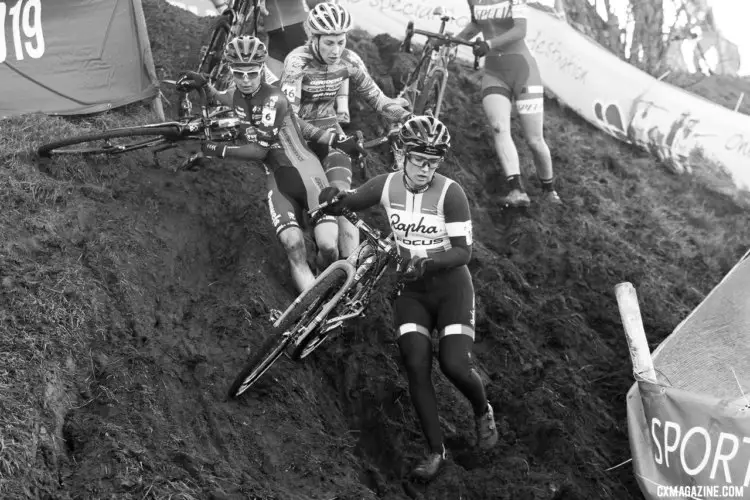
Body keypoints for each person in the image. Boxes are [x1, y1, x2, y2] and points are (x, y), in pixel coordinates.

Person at [316, 115, 498, 481]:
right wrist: (333, 199)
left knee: (454, 366)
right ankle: (435, 451)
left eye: (433, 162)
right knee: (416, 364)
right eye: (418, 160)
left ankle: (482, 410)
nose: (425, 170)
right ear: (401, 155)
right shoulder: (386, 186)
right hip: (411, 290)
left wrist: (426, 261)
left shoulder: (451, 193)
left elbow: (463, 253)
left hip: (451, 288)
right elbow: (350, 199)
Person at [179, 35, 360, 293]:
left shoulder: (273, 99)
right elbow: (219, 98)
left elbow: (258, 150)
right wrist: (202, 84)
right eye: (238, 74)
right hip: (279, 182)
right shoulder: (238, 95)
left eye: (252, 74)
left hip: (310, 177)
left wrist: (213, 149)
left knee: (329, 247)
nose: (245, 80)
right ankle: (312, 310)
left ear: (262, 69)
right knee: (294, 245)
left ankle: (327, 283)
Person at [280, 1, 411, 259]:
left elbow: (379, 101)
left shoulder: (350, 60)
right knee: (327, 241)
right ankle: (323, 267)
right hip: (298, 140)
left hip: (330, 132)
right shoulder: (297, 62)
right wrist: (333, 140)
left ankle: (350, 275)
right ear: (313, 37)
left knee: (345, 204)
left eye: (341, 42)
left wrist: (408, 117)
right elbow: (290, 118)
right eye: (329, 42)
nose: (336, 49)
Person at [455, 0, 561, 207]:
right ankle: (517, 190)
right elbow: (476, 24)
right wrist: (450, 41)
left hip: (523, 71)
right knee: (498, 127)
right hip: (494, 72)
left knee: (534, 140)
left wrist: (489, 44)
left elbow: (520, 30)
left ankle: (549, 189)